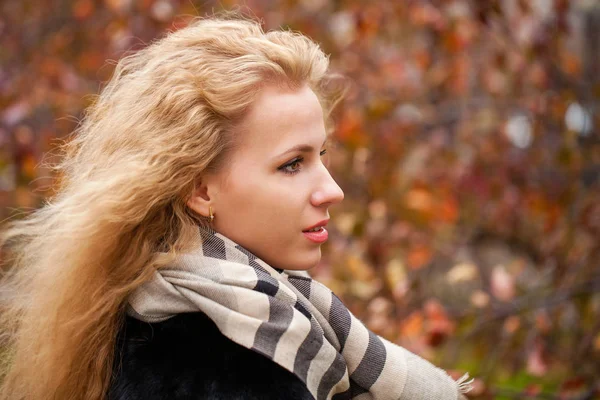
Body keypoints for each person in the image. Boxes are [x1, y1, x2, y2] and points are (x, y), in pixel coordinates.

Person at [0, 12, 472, 400]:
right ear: (201, 191)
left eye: (320, 156)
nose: (331, 190)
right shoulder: (244, 362)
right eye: (292, 165)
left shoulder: (145, 318)